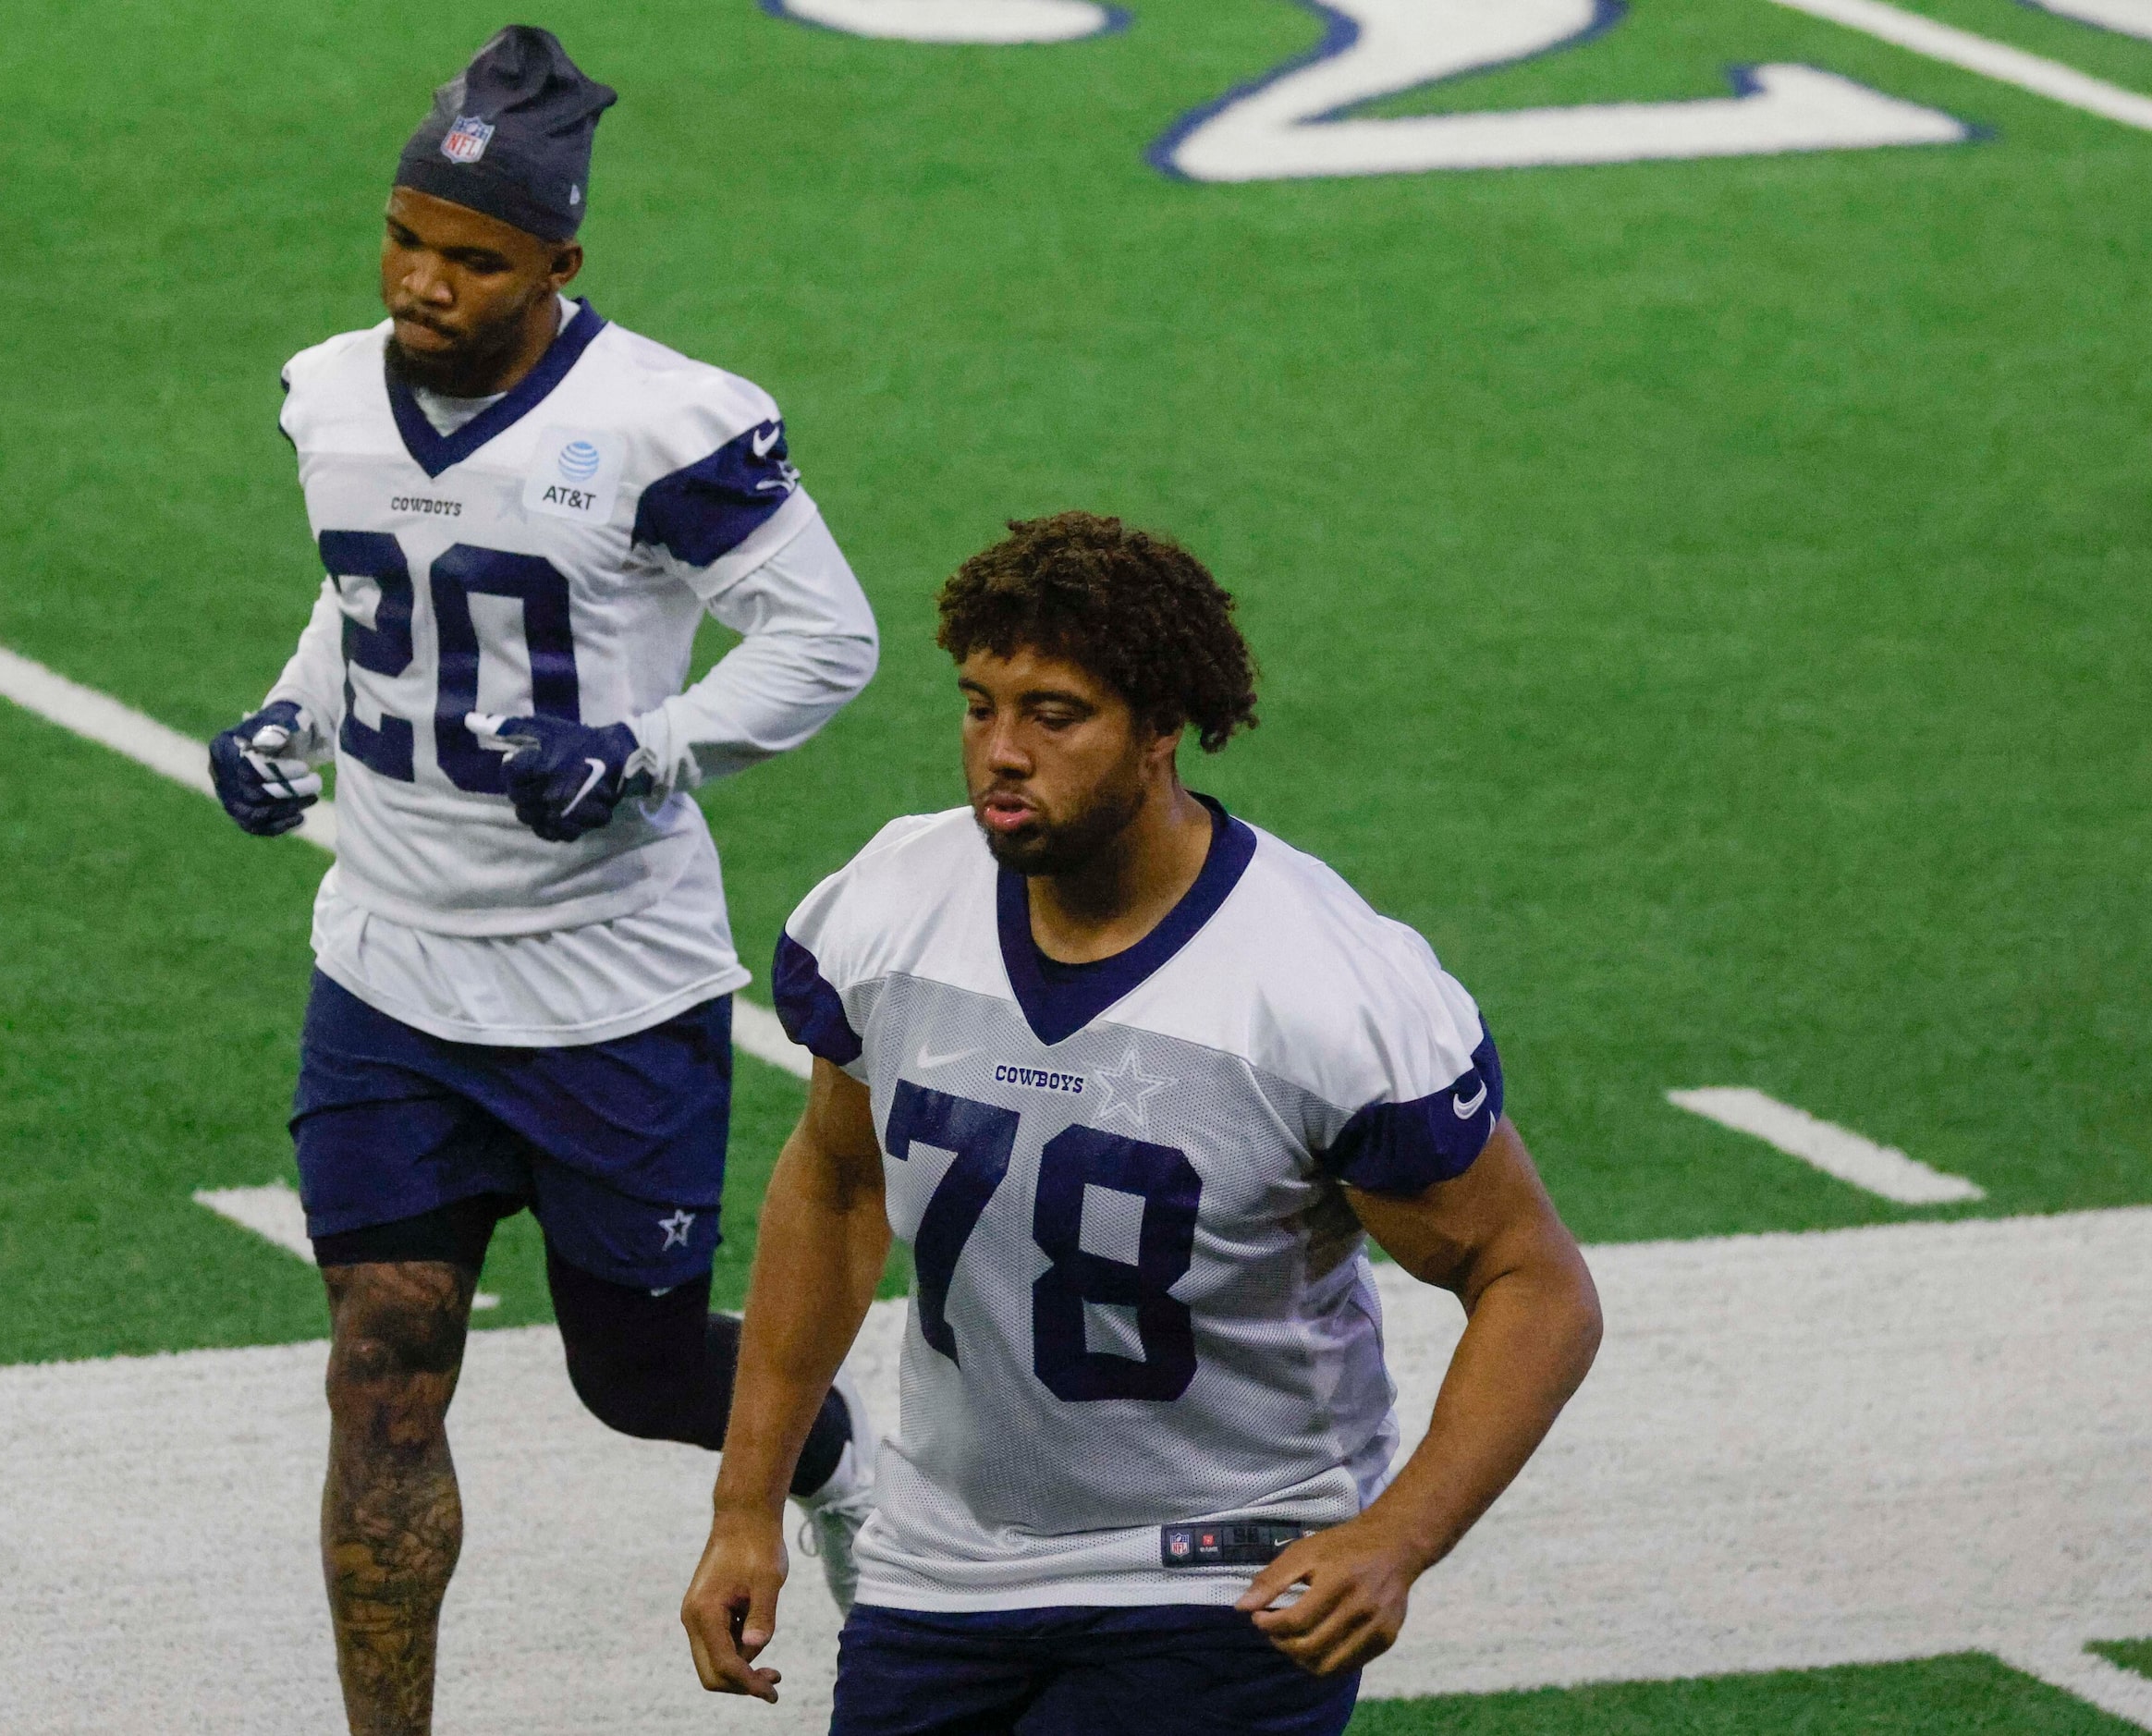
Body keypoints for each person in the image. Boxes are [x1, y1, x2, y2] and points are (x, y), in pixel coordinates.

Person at [204, 26, 882, 1734]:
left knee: (637, 1371)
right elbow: (367, 595)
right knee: (382, 1367)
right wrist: (289, 717)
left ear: (560, 265)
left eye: (474, 258)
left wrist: (649, 747)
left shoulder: (666, 421)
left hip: (605, 981)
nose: (424, 283)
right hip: (390, 969)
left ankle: (844, 1464)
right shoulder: (325, 390)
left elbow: (830, 639)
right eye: (406, 239)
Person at [681, 512, 1602, 1733]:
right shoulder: (892, 906)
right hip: (943, 1561)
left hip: (1225, 1564)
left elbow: (1533, 1281)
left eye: (1053, 715)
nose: (1000, 752)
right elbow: (840, 1186)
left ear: (1163, 726)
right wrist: (746, 1502)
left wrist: (1399, 1534)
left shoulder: (1325, 988)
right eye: (978, 704)